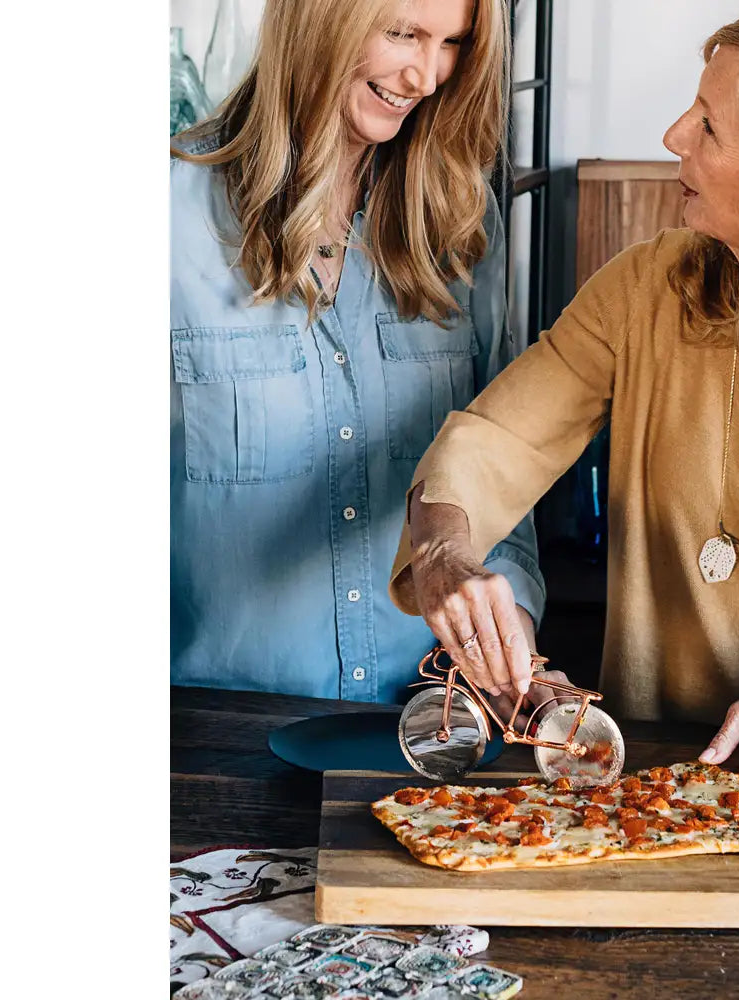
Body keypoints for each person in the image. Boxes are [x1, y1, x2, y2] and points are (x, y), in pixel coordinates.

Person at [390, 7, 739, 783]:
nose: (672, 137)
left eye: (707, 126)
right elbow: (498, 440)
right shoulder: (649, 285)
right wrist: (443, 553)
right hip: (642, 774)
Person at [170, 0, 544, 703]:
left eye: (453, 44)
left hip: (428, 729)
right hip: (209, 737)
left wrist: (507, 629)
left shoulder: (462, 224)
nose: (427, 76)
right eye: (402, 34)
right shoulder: (168, 214)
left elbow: (503, 465)